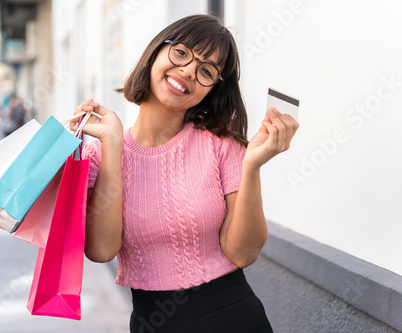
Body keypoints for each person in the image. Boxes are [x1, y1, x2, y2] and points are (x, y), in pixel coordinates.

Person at [70, 14, 299, 332]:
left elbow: (243, 252)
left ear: (211, 88)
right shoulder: (102, 155)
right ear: (156, 52)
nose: (189, 71)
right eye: (181, 52)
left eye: (207, 70)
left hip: (234, 318)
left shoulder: (221, 143)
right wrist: (112, 145)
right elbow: (101, 250)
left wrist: (252, 166)